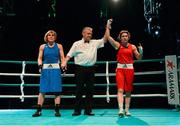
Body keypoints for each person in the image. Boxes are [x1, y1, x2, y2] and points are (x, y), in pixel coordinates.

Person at [61, 22, 110, 116]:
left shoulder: (95, 42)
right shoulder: (76, 44)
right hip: (80, 69)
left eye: (90, 34)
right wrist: (64, 62)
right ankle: (77, 110)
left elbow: (105, 39)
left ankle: (88, 110)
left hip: (91, 69)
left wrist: (107, 27)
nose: (89, 35)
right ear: (83, 33)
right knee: (79, 90)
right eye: (88, 33)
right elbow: (69, 55)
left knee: (90, 90)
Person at [107, 19, 143, 117]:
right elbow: (108, 37)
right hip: (120, 69)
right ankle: (120, 109)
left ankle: (127, 110)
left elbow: (139, 58)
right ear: (120, 37)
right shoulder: (117, 45)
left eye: (126, 36)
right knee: (120, 90)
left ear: (128, 37)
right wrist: (108, 26)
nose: (124, 37)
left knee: (128, 90)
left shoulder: (133, 47)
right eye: (122, 36)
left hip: (130, 69)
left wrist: (141, 51)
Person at [32, 30, 65, 117]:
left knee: (57, 90)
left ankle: (57, 110)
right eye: (49, 35)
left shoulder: (59, 46)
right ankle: (38, 111)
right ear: (46, 37)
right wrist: (39, 66)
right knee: (42, 90)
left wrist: (64, 65)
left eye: (53, 35)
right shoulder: (42, 46)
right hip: (45, 69)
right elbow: (39, 58)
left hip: (56, 69)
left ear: (55, 37)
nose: (51, 36)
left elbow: (62, 58)